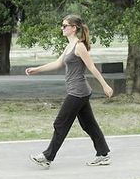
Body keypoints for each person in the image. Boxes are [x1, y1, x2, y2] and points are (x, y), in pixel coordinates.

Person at [26, 14, 114, 169]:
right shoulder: (69, 45)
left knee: (60, 123)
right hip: (79, 91)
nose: (63, 28)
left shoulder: (79, 46)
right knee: (89, 125)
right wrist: (36, 70)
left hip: (78, 92)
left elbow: (92, 67)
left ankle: (47, 157)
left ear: (74, 28)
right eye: (62, 25)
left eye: (65, 25)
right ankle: (103, 154)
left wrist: (105, 85)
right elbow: (58, 63)